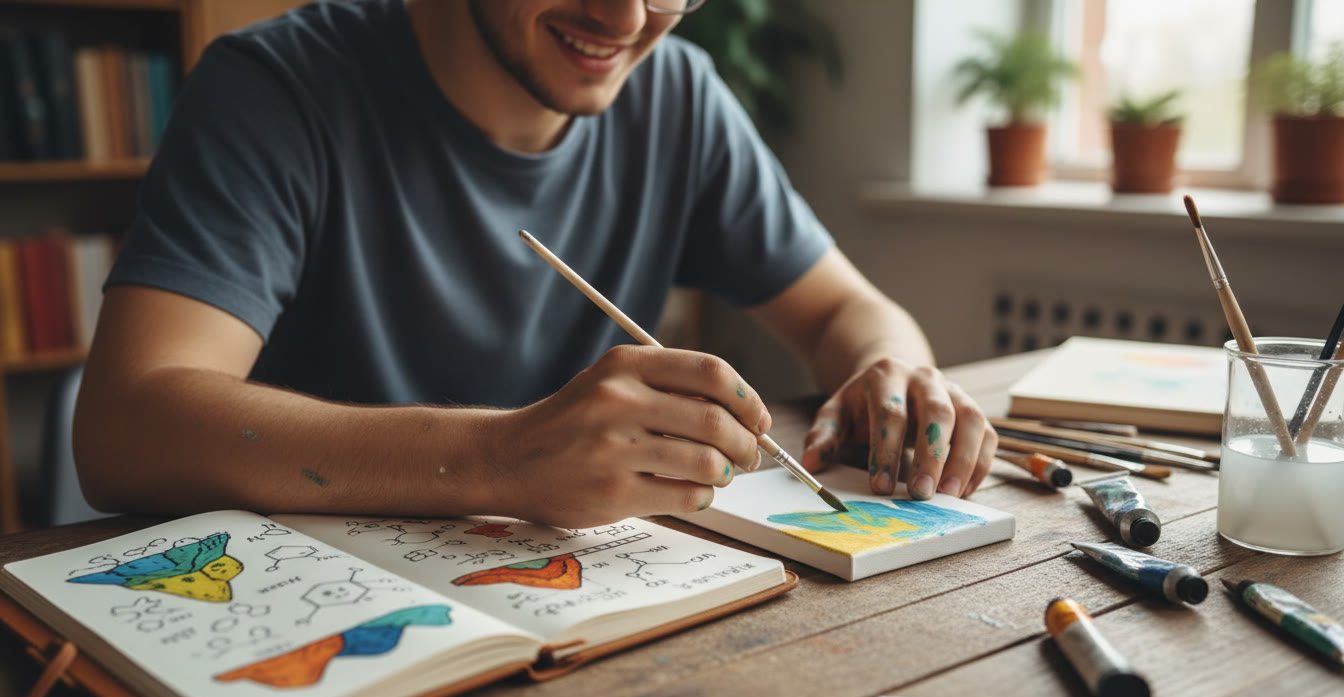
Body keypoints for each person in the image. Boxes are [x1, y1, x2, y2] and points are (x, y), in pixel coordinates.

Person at [73, 0, 997, 528]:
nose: (629, 19)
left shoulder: (679, 101)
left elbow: (846, 312)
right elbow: (123, 431)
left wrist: (895, 371)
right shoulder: (275, 92)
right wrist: (499, 458)